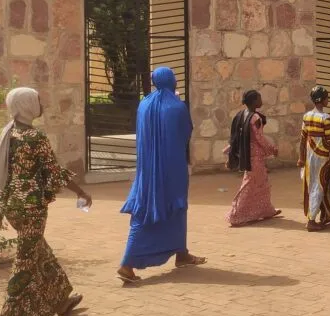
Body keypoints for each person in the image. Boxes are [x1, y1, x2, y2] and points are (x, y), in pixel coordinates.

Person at [0, 88, 91, 316]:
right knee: (25, 262)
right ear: (26, 105)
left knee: (38, 249)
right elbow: (54, 172)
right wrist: (81, 192)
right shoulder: (34, 137)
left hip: (11, 206)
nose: (42, 104)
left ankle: (61, 300)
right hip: (31, 208)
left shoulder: (4, 134)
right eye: (38, 100)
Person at [118, 68, 206, 282]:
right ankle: (126, 265)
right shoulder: (177, 106)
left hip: (148, 168)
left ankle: (181, 253)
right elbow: (186, 132)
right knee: (171, 206)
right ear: (171, 81)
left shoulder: (143, 104)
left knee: (156, 206)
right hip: (172, 167)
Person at [225, 89, 281, 227]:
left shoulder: (242, 114)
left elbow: (236, 136)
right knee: (249, 185)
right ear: (254, 101)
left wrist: (230, 151)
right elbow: (260, 138)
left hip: (247, 155)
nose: (261, 101)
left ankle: (266, 210)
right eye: (259, 98)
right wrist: (272, 149)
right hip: (255, 157)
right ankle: (235, 214)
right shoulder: (255, 118)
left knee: (262, 183)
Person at [297, 85, 330, 232]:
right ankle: (311, 220)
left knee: (317, 184)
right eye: (327, 98)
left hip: (310, 157)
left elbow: (302, 139)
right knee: (319, 186)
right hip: (322, 158)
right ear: (322, 100)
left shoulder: (306, 116)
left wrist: (301, 157)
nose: (328, 100)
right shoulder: (326, 119)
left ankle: (325, 214)